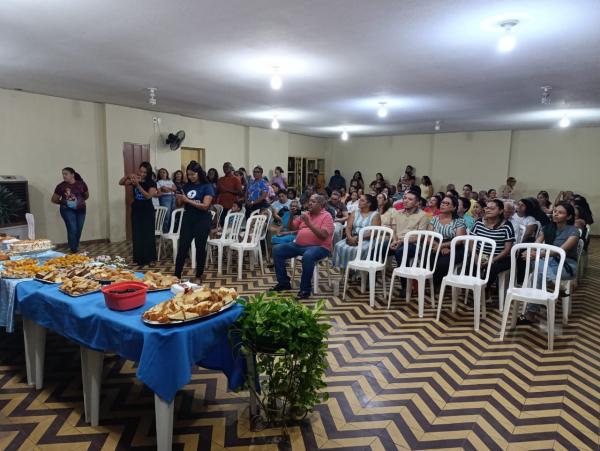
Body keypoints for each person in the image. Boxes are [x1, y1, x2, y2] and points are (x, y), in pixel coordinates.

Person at [517, 202, 580, 325]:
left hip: (566, 265)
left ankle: (530, 314)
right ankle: (553, 282)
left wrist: (539, 254)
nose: (555, 213)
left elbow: (560, 251)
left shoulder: (573, 231)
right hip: (548, 263)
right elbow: (536, 244)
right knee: (538, 267)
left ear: (568, 217)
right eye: (555, 211)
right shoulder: (548, 228)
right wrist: (531, 251)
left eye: (560, 212)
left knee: (538, 272)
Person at [272, 194, 334, 299]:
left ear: (321, 204)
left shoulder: (327, 216)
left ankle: (305, 290)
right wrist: (292, 215)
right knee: (277, 250)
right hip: (298, 245)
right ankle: (283, 283)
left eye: (313, 201)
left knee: (308, 256)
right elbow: (291, 227)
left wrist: (309, 223)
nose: (309, 203)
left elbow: (323, 236)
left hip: (320, 247)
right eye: (309, 200)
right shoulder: (305, 214)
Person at [173, 163, 215, 282]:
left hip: (202, 220)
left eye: (193, 174)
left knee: (200, 248)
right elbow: (178, 205)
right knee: (183, 247)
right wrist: (179, 199)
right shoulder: (186, 186)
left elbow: (205, 206)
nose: (190, 176)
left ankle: (198, 275)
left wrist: (188, 200)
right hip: (188, 219)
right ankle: (177, 275)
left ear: (199, 173)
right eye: (188, 174)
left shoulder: (207, 186)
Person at [389, 188, 429, 295]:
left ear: (417, 203)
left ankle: (406, 286)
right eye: (404, 198)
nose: (405, 201)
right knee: (379, 247)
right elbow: (393, 230)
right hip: (397, 241)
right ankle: (370, 279)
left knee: (400, 252)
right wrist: (394, 241)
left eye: (410, 199)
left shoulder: (423, 215)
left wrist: (401, 241)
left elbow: (420, 236)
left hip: (414, 244)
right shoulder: (397, 213)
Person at [470, 199, 515, 295]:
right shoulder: (478, 223)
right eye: (486, 208)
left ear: (500, 211)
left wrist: (492, 260)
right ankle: (475, 287)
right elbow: (471, 242)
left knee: (491, 268)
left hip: (500, 258)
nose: (488, 210)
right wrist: (476, 257)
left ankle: (485, 289)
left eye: (492, 208)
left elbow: (507, 249)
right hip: (480, 255)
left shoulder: (507, 226)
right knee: (469, 263)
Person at [119, 162, 157, 265]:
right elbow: (121, 182)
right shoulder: (135, 179)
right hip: (136, 210)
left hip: (147, 211)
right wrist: (128, 175)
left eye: (145, 172)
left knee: (148, 235)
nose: (142, 173)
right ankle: (138, 259)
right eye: (141, 171)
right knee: (137, 234)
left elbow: (148, 196)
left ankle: (151, 259)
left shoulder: (152, 183)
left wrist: (138, 185)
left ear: (148, 173)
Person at [332, 194, 380, 270]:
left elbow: (374, 233)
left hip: (367, 239)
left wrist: (358, 238)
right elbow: (348, 228)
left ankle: (358, 272)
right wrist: (350, 237)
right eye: (359, 199)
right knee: (338, 245)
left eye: (362, 200)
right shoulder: (355, 212)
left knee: (360, 249)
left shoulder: (375, 215)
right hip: (353, 237)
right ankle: (344, 269)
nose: (359, 202)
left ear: (369, 204)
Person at [428, 196, 467, 286]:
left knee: (443, 263)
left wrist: (442, 246)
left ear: (454, 207)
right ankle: (430, 281)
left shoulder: (459, 221)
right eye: (442, 203)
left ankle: (437, 284)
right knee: (427, 257)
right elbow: (429, 237)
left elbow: (458, 241)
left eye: (447, 204)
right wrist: (439, 247)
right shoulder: (434, 219)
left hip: (455, 247)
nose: (443, 205)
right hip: (435, 244)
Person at [51, 167, 89, 253]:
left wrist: (78, 202)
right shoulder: (61, 186)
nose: (64, 176)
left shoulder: (81, 184)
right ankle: (73, 249)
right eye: (63, 174)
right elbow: (54, 199)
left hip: (81, 210)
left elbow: (86, 195)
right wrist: (64, 202)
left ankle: (75, 245)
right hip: (67, 210)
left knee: (79, 229)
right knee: (72, 228)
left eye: (66, 174)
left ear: (72, 175)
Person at [216, 162, 243, 226]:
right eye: (223, 167)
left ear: (231, 168)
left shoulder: (236, 179)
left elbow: (240, 192)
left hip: (231, 205)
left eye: (226, 167)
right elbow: (217, 191)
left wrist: (227, 190)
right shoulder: (220, 179)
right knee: (222, 223)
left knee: (230, 224)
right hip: (221, 205)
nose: (224, 169)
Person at [156, 168, 176, 233]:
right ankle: (165, 232)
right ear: (159, 174)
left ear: (167, 173)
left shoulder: (170, 181)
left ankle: (171, 231)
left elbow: (175, 189)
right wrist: (170, 189)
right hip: (165, 198)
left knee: (172, 215)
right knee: (166, 216)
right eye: (161, 172)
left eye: (164, 172)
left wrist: (167, 188)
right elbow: (161, 191)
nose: (162, 173)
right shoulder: (158, 182)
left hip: (173, 197)